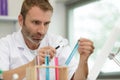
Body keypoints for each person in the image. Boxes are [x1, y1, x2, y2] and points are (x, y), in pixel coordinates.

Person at [0, 0, 94, 80]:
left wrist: (83, 61)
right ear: (21, 20)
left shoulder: (58, 43)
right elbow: (2, 76)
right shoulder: (5, 45)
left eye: (46, 23)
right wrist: (33, 64)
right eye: (36, 22)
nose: (42, 31)